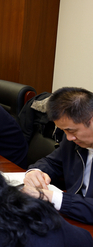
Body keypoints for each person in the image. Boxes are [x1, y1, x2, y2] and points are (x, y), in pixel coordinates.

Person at [24, 87, 93, 224]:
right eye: (63, 131)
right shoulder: (73, 141)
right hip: (73, 218)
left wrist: (51, 197)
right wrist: (35, 172)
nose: (69, 138)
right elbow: (52, 162)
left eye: (71, 131)